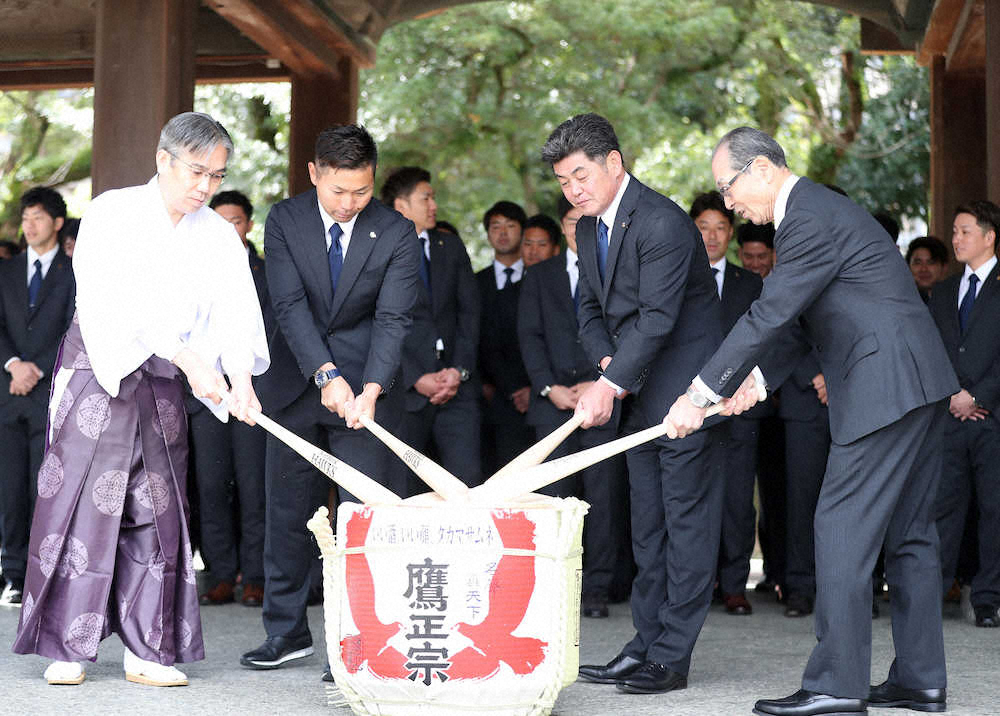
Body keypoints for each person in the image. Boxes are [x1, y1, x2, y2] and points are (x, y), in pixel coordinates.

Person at [666, 126, 958, 716]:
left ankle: (837, 684)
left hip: (885, 388)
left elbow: (769, 314)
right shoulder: (817, 215)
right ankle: (921, 679)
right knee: (911, 536)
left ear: (762, 170)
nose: (727, 204)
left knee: (840, 530)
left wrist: (698, 394)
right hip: (915, 382)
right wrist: (756, 381)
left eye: (728, 188)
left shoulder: (808, 216)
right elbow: (802, 321)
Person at [12, 111, 269, 687]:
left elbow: (235, 312)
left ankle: (147, 646)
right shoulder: (112, 211)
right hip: (99, 368)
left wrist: (242, 380)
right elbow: (113, 299)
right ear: (163, 160)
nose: (205, 187)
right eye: (196, 171)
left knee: (156, 504)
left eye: (217, 175)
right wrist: (189, 358)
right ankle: (68, 646)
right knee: (80, 501)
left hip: (165, 379)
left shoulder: (217, 234)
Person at [543, 113, 726, 695]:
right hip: (635, 388)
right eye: (564, 182)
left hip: (683, 394)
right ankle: (644, 644)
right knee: (647, 526)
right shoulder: (591, 227)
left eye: (580, 176)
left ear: (613, 163)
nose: (573, 190)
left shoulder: (663, 222)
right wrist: (605, 366)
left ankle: (672, 655)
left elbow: (657, 319)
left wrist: (609, 385)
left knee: (685, 523)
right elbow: (590, 311)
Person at [244, 124, 418, 673]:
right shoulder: (285, 220)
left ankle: (357, 638)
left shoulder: (396, 232)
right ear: (314, 174)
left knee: (361, 516)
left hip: (364, 392)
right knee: (288, 511)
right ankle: (286, 631)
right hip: (297, 384)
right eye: (338, 191)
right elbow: (289, 306)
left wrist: (369, 389)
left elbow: (393, 318)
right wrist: (325, 375)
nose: (348, 204)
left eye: (361, 192)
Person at [517, 194, 629, 619]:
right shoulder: (540, 274)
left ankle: (596, 588)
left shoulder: (614, 271)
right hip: (553, 403)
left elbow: (623, 333)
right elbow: (529, 336)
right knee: (552, 499)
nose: (578, 227)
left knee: (602, 496)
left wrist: (602, 384)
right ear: (564, 229)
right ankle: (551, 586)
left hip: (602, 398)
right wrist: (549, 388)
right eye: (570, 222)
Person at [182, 189, 270, 608]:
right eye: (219, 220)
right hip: (203, 395)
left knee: (254, 489)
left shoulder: (265, 270)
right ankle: (219, 574)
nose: (226, 229)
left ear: (248, 224)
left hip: (249, 396)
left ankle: (254, 576)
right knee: (211, 487)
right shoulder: (194, 267)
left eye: (235, 220)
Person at [380, 166, 481, 494]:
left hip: (456, 388)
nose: (434, 205)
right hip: (405, 393)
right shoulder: (379, 251)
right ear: (401, 206)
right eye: (426, 198)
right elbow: (377, 323)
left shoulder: (449, 247)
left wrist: (459, 370)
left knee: (466, 487)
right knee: (404, 490)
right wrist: (414, 377)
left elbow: (469, 314)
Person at [0, 187, 76, 608]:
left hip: (50, 391)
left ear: (57, 223)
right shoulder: (6, 271)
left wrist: (37, 367)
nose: (29, 226)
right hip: (9, 392)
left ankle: (43, 573)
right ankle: (13, 573)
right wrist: (14, 364)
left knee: (44, 486)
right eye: (25, 218)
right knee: (9, 488)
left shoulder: (73, 270)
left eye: (38, 218)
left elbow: (73, 327)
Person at [927, 201, 1000, 629]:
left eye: (965, 231)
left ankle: (988, 597)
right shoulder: (943, 290)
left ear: (989, 237)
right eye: (954, 231)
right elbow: (933, 350)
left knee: (994, 510)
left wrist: (978, 395)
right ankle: (932, 592)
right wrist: (954, 394)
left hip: (992, 416)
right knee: (942, 509)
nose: (956, 239)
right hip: (950, 415)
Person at [690, 190, 762, 616]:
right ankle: (697, 584)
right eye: (704, 227)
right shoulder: (680, 280)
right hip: (690, 406)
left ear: (731, 234)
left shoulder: (749, 283)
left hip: (737, 405)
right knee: (692, 497)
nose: (713, 236)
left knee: (738, 500)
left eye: (720, 228)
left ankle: (734, 585)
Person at [476, 201, 534, 476]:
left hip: (536, 390)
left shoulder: (539, 279)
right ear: (487, 233)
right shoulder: (474, 282)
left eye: (511, 226)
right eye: (496, 227)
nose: (503, 233)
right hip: (488, 395)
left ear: (522, 231)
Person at [906, 236, 949, 302]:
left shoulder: (954, 300)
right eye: (918, 263)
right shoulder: (899, 300)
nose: (924, 269)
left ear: (944, 267)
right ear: (908, 266)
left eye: (931, 263)